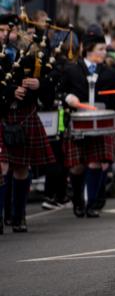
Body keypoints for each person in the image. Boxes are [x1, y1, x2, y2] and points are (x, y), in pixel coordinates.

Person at [0, 15, 56, 232]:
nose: (6, 34)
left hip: (25, 117)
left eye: (9, 30)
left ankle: (18, 216)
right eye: (2, 29)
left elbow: (51, 88)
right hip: (3, 115)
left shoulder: (35, 57)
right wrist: (10, 91)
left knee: (21, 169)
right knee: (2, 167)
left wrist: (39, 84)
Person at [61, 33, 115, 218]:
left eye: (105, 49)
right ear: (88, 50)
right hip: (78, 122)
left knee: (96, 162)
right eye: (101, 49)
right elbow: (61, 90)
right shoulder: (72, 70)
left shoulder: (110, 73)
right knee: (77, 165)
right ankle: (79, 199)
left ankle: (92, 204)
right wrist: (67, 98)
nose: (105, 53)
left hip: (100, 123)